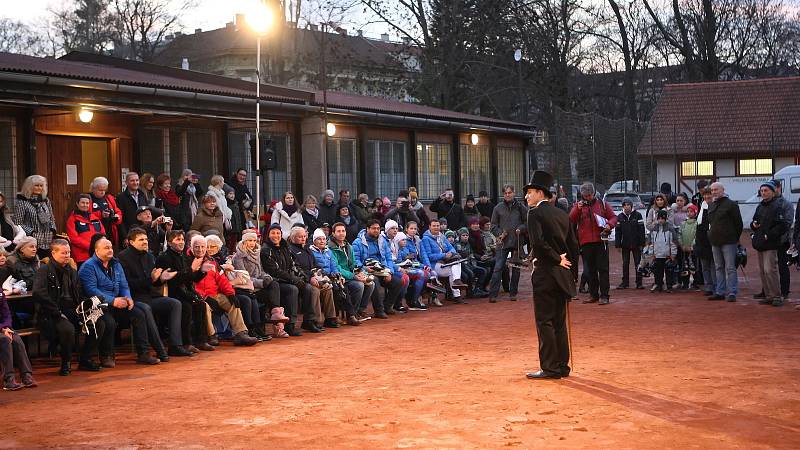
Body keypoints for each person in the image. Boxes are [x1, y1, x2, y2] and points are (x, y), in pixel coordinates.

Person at [522, 170, 578, 380]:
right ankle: (562, 366)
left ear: (540, 193)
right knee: (559, 322)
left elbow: (538, 244)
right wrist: (572, 273)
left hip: (546, 273)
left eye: (530, 192)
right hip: (563, 275)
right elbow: (574, 246)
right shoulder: (563, 214)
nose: (527, 196)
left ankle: (550, 368)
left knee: (544, 321)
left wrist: (556, 259)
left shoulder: (534, 213)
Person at [79, 235, 166, 365]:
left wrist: (128, 298)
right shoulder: (88, 266)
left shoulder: (116, 264)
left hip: (118, 303)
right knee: (109, 322)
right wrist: (113, 301)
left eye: (111, 247)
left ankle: (143, 353)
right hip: (98, 306)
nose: (110, 250)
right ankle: (106, 355)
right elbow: (91, 290)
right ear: (97, 251)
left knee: (139, 313)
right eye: (106, 248)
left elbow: (124, 285)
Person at [33, 239, 115, 374]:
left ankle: (85, 359)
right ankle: (66, 362)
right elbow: (38, 293)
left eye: (69, 252)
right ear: (53, 253)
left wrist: (91, 306)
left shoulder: (72, 271)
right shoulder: (44, 270)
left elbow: (79, 295)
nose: (67, 255)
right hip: (51, 314)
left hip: (73, 310)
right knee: (68, 329)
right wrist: (57, 312)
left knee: (99, 323)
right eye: (63, 253)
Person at [117, 229, 194, 357]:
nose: (145, 242)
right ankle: (157, 350)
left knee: (175, 303)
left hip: (150, 296)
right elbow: (128, 284)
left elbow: (154, 283)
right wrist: (151, 279)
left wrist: (162, 279)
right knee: (148, 307)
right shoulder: (122, 257)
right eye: (141, 240)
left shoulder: (149, 256)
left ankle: (175, 345)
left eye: (146, 239)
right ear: (131, 242)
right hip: (134, 298)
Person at [188, 235, 258, 345]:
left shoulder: (212, 262)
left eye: (203, 246)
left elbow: (222, 280)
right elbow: (190, 284)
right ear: (191, 248)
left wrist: (231, 294)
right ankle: (211, 335)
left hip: (215, 294)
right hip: (199, 296)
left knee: (233, 303)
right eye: (197, 247)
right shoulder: (187, 262)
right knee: (204, 306)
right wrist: (205, 297)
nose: (200, 250)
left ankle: (240, 334)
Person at [155, 230, 213, 352]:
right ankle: (186, 343)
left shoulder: (184, 257)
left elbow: (191, 279)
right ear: (170, 243)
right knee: (187, 307)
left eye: (182, 239)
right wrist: (191, 270)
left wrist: (202, 271)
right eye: (177, 239)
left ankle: (201, 340)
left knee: (200, 304)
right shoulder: (164, 258)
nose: (181, 242)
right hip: (172, 292)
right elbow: (173, 280)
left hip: (185, 290)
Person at [232, 230, 291, 338]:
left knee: (274, 284)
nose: (252, 243)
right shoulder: (238, 257)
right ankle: (262, 328)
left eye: (254, 240)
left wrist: (266, 278)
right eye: (250, 240)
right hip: (247, 288)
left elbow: (261, 271)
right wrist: (261, 282)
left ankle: (276, 314)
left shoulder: (257, 253)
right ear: (244, 241)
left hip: (258, 286)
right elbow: (244, 277)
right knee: (269, 295)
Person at [569, 182, 617, 305]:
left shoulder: (602, 204)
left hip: (601, 241)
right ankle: (593, 294)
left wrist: (609, 225)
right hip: (585, 242)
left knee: (603, 269)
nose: (588, 198)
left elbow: (613, 217)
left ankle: (604, 295)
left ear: (594, 193)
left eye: (590, 195)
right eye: (586, 196)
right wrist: (577, 208)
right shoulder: (578, 206)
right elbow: (571, 219)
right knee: (590, 270)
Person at [261, 223, 311, 336]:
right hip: (275, 281)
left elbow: (293, 265)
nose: (275, 235)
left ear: (281, 234)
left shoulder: (285, 247)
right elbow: (275, 271)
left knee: (308, 287)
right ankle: (290, 325)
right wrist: (293, 279)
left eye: (278, 233)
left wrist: (302, 277)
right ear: (268, 235)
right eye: (273, 233)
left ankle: (309, 321)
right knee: (292, 289)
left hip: (287, 278)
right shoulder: (266, 250)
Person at [353, 219, 405, 318]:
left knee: (398, 282)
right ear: (367, 229)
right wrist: (365, 269)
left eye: (377, 228)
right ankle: (379, 310)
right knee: (375, 281)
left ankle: (387, 307)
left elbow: (388, 258)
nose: (376, 230)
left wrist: (389, 271)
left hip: (382, 269)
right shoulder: (358, 242)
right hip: (367, 270)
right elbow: (356, 260)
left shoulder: (382, 240)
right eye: (373, 228)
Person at [288, 227, 337, 330]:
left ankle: (330, 318)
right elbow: (296, 269)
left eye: (304, 236)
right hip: (299, 280)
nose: (303, 238)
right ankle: (314, 320)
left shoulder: (307, 248)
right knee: (315, 290)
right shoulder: (290, 250)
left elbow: (315, 265)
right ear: (293, 238)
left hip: (312, 276)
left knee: (327, 287)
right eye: (300, 237)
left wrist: (320, 275)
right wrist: (310, 278)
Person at [750, 181, 791, 307]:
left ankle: (776, 295)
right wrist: (754, 225)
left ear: (773, 192)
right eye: (762, 191)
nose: (763, 193)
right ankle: (768, 295)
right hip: (760, 242)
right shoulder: (760, 206)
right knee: (763, 270)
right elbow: (754, 221)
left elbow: (783, 225)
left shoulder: (778, 206)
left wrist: (770, 234)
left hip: (771, 243)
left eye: (766, 190)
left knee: (770, 269)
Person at [310, 229, 360, 325]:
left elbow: (334, 265)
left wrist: (337, 274)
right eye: (319, 239)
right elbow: (315, 267)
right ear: (314, 241)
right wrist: (326, 274)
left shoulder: (328, 251)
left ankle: (351, 315)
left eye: (324, 239)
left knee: (342, 287)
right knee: (335, 288)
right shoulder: (311, 252)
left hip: (331, 276)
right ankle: (334, 316)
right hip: (321, 276)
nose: (322, 241)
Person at [487, 184, 528, 301]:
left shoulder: (521, 207)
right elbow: (493, 225)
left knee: (516, 268)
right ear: (503, 194)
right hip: (502, 243)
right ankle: (493, 295)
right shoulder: (497, 208)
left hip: (517, 241)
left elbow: (527, 222)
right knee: (498, 267)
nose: (507, 195)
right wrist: (500, 233)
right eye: (505, 193)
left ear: (514, 193)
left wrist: (521, 228)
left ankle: (513, 293)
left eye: (509, 192)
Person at [329, 222, 375, 320]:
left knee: (370, 283)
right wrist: (354, 276)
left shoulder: (348, 246)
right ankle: (351, 314)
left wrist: (362, 273)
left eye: (343, 231)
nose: (341, 233)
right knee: (359, 285)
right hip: (341, 278)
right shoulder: (330, 248)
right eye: (338, 231)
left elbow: (354, 264)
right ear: (333, 233)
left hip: (351, 275)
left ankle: (359, 310)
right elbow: (337, 268)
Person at [707, 182, 743, 302]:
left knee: (730, 267)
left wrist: (735, 237)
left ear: (723, 190)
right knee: (718, 267)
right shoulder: (711, 205)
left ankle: (732, 292)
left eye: (716, 189)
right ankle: (720, 292)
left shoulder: (731, 205)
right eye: (712, 190)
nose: (714, 192)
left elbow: (739, 224)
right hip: (715, 240)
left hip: (729, 240)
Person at [421, 218, 468, 302]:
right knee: (453, 271)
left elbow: (452, 248)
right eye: (434, 226)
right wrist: (443, 255)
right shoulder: (425, 239)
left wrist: (450, 253)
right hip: (435, 265)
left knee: (457, 263)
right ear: (429, 227)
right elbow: (429, 256)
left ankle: (456, 284)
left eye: (437, 226)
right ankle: (456, 294)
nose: (436, 228)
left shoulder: (442, 236)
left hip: (446, 262)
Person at [14, 175, 56, 259]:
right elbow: (17, 223)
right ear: (29, 186)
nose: (39, 188)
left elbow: (51, 218)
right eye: (36, 185)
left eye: (41, 186)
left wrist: (52, 229)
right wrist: (32, 232)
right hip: (30, 241)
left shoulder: (45, 200)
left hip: (47, 240)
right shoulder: (22, 201)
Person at [0, 291, 36, 390]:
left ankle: (26, 375)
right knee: (5, 340)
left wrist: (6, 327)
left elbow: (7, 313)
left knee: (17, 339)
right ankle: (9, 379)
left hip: (3, 328)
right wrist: (2, 329)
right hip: (1, 330)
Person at [770, 179, 794, 301]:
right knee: (768, 267)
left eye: (773, 187)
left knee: (782, 266)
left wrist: (775, 233)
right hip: (768, 241)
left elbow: (788, 222)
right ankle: (767, 290)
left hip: (781, 240)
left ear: (779, 188)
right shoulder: (766, 203)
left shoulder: (786, 204)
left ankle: (784, 291)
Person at [615, 198, 645, 289]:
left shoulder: (638, 215)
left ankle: (639, 283)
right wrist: (618, 245)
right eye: (625, 205)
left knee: (638, 263)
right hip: (625, 244)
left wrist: (642, 243)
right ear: (623, 206)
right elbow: (618, 232)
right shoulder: (619, 217)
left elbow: (641, 230)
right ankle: (625, 282)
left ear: (631, 206)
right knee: (625, 263)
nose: (626, 206)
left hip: (636, 244)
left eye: (628, 205)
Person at [66, 194, 105, 264]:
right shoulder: (72, 219)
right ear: (77, 204)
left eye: (87, 203)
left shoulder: (95, 218)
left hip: (98, 255)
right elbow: (74, 238)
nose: (85, 205)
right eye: (82, 203)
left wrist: (100, 246)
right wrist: (91, 246)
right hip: (81, 257)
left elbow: (103, 234)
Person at [648, 210, 678, 293]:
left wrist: (673, 254)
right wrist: (652, 253)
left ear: (666, 218)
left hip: (667, 255)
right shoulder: (654, 229)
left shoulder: (670, 228)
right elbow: (651, 242)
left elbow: (673, 242)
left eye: (662, 218)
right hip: (657, 255)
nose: (660, 220)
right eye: (659, 218)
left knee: (669, 272)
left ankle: (669, 286)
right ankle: (659, 285)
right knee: (658, 272)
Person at [89, 177, 123, 246]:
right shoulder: (88, 199)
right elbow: (86, 215)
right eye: (100, 190)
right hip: (95, 231)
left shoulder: (109, 198)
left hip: (110, 231)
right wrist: (101, 215)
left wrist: (117, 217)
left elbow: (117, 211)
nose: (103, 192)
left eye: (104, 190)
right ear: (93, 188)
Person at [695, 188, 716, 296]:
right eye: (705, 196)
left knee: (713, 266)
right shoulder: (702, 207)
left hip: (712, 240)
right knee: (705, 267)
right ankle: (708, 287)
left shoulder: (715, 207)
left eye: (709, 196)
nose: (707, 198)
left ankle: (716, 287)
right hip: (702, 241)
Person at [117, 172, 149, 242]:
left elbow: (147, 212)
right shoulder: (121, 197)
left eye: (137, 180)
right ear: (126, 182)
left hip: (143, 232)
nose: (135, 183)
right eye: (132, 181)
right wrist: (125, 237)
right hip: (129, 234)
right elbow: (120, 219)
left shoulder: (142, 195)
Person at [678, 204, 699, 290]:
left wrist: (692, 246)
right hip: (684, 249)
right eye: (688, 211)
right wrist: (682, 245)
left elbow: (697, 236)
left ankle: (695, 283)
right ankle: (685, 283)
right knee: (684, 266)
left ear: (695, 213)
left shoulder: (697, 224)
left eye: (691, 211)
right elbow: (679, 235)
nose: (689, 213)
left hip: (693, 249)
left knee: (694, 266)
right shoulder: (683, 224)